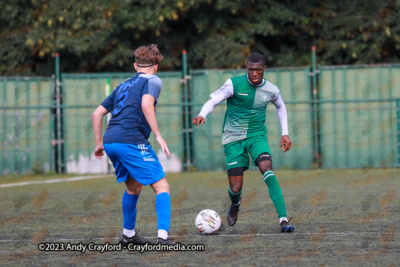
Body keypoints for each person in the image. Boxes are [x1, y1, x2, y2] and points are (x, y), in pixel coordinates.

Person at [192, 52, 294, 232]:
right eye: (250, 70)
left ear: (264, 69)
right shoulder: (234, 84)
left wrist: (285, 133)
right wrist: (202, 113)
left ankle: (283, 220)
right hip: (233, 138)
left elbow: (280, 106)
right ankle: (236, 202)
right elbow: (213, 101)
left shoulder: (272, 89)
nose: (254, 73)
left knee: (267, 168)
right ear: (246, 68)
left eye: (258, 70)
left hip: (257, 136)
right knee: (235, 186)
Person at [92, 44, 175, 245]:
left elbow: (97, 114)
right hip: (131, 141)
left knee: (134, 187)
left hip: (111, 141)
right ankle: (163, 238)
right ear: (156, 66)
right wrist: (158, 135)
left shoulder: (122, 85)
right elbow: (146, 104)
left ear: (135, 66)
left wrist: (99, 144)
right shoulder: (154, 80)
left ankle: (128, 235)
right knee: (162, 186)